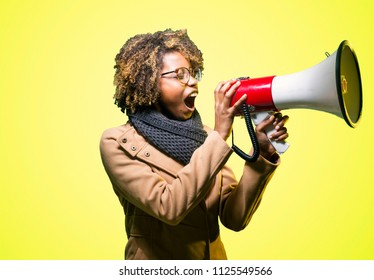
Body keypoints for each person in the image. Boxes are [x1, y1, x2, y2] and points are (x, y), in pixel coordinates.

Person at [99, 29, 289, 260]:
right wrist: (219, 136)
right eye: (179, 75)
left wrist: (262, 153)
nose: (193, 81)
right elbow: (168, 207)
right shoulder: (117, 142)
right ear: (148, 84)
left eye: (192, 72)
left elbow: (234, 218)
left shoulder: (207, 137)